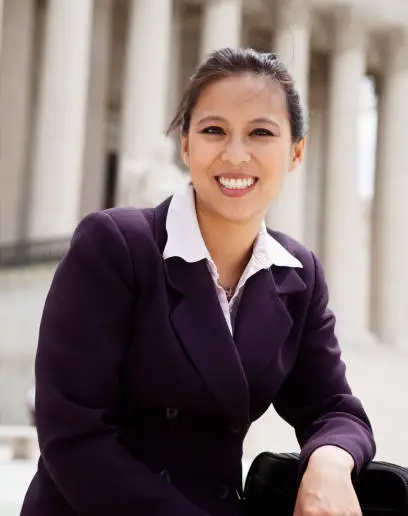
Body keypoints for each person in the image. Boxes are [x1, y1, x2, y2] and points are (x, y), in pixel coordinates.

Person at [21, 48, 375, 516]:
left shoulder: (297, 274)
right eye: (214, 131)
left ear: (295, 152)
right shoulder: (116, 246)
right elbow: (75, 437)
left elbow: (334, 407)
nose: (235, 154)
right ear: (186, 145)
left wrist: (329, 463)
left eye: (260, 133)